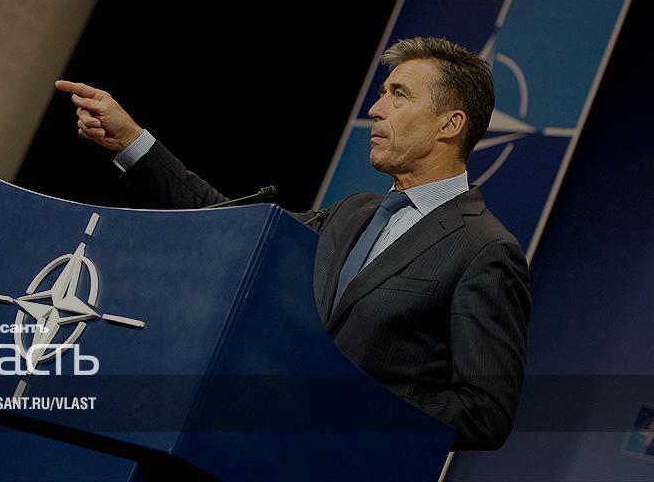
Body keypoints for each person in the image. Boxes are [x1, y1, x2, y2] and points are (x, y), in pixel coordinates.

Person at [55, 36, 531, 451]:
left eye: (399, 95)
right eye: (382, 93)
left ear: (449, 125)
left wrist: (348, 405)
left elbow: (484, 414)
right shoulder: (352, 212)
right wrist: (133, 142)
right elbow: (233, 223)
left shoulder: (484, 249)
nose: (376, 109)